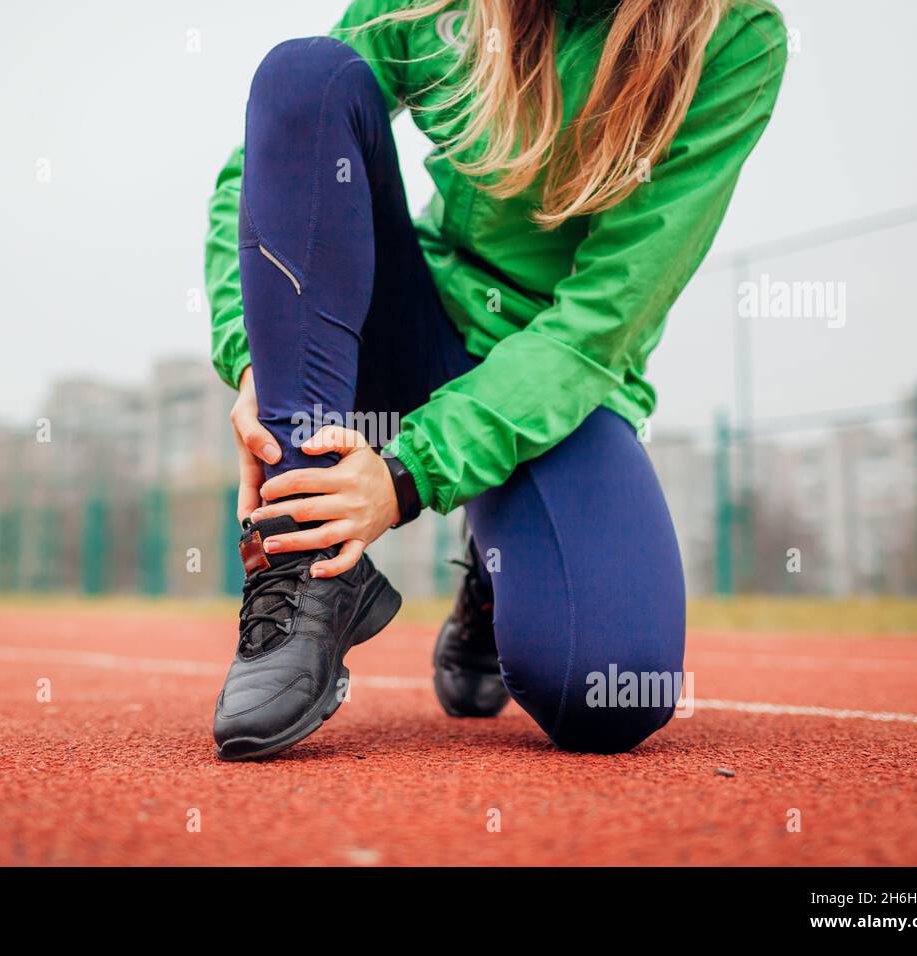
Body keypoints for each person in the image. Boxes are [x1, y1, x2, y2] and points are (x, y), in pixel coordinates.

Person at [203, 0, 786, 760]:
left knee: (609, 688)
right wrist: (255, 355)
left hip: (558, 380)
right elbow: (271, 158)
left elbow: (600, 323)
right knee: (303, 72)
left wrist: (409, 473)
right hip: (406, 327)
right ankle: (303, 567)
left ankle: (496, 571)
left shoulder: (735, 36)